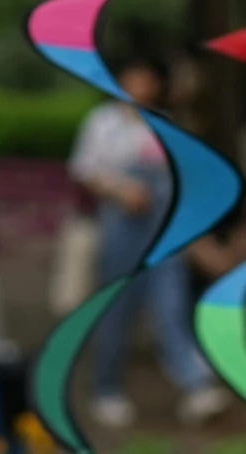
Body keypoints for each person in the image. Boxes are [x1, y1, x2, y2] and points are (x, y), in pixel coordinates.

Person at [67, 54, 228, 429]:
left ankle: (196, 386)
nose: (138, 88)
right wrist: (121, 190)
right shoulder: (102, 123)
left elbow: (178, 183)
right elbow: (84, 170)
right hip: (120, 229)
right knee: (117, 312)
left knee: (169, 307)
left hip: (161, 230)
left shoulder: (165, 125)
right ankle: (106, 391)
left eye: (145, 80)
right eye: (131, 79)